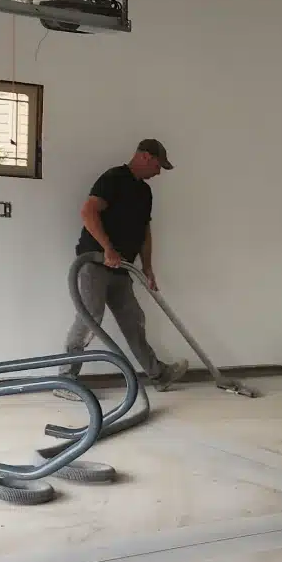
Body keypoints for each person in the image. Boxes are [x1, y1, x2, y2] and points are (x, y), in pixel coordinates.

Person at [64, 139, 186, 388]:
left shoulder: (144, 192)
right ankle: (65, 379)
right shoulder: (113, 178)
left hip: (122, 268)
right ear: (144, 156)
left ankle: (158, 375)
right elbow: (88, 212)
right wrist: (107, 248)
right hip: (95, 263)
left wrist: (147, 267)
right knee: (90, 318)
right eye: (158, 164)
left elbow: (144, 232)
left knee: (134, 320)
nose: (159, 171)